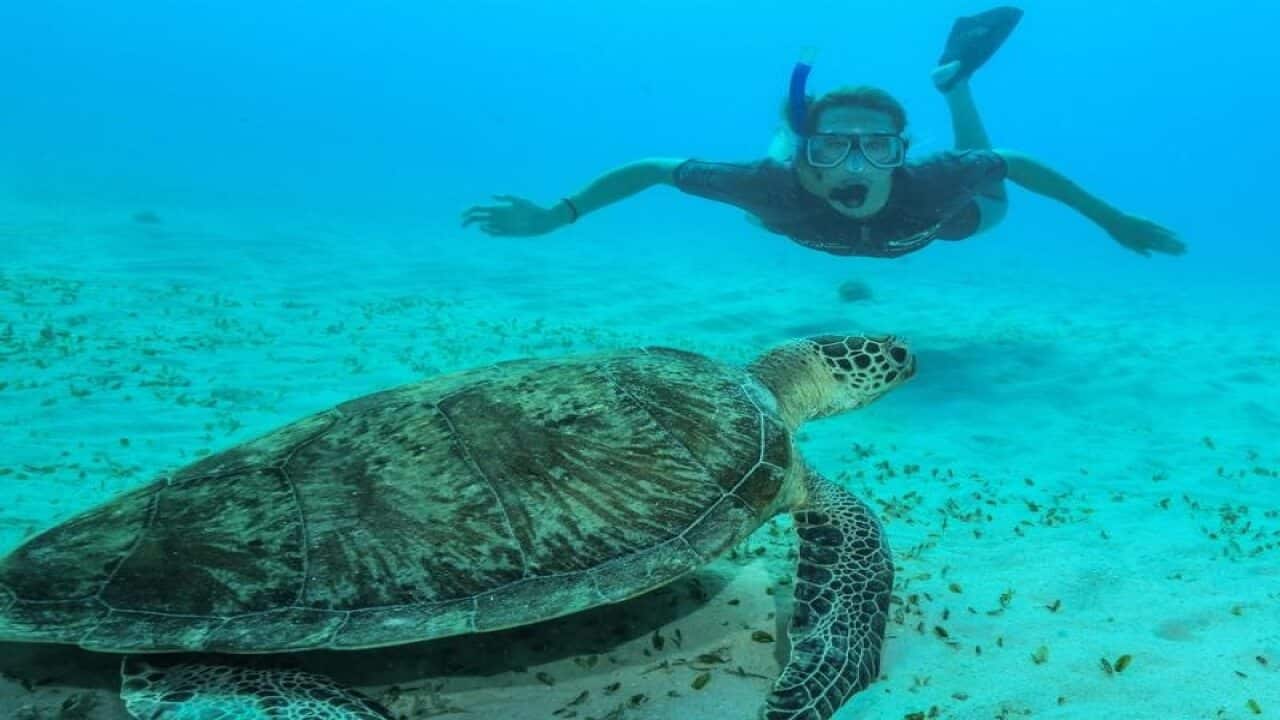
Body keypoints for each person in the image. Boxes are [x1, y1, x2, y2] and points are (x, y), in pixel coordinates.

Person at [463, 6, 1185, 259]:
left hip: (945, 223)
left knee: (994, 195)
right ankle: (788, 128)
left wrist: (1110, 219)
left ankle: (956, 80)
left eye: (876, 146)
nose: (857, 160)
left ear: (901, 154)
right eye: (835, 144)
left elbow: (1015, 160)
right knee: (770, 185)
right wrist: (558, 217)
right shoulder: (770, 185)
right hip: (786, 195)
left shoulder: (931, 179)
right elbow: (655, 166)